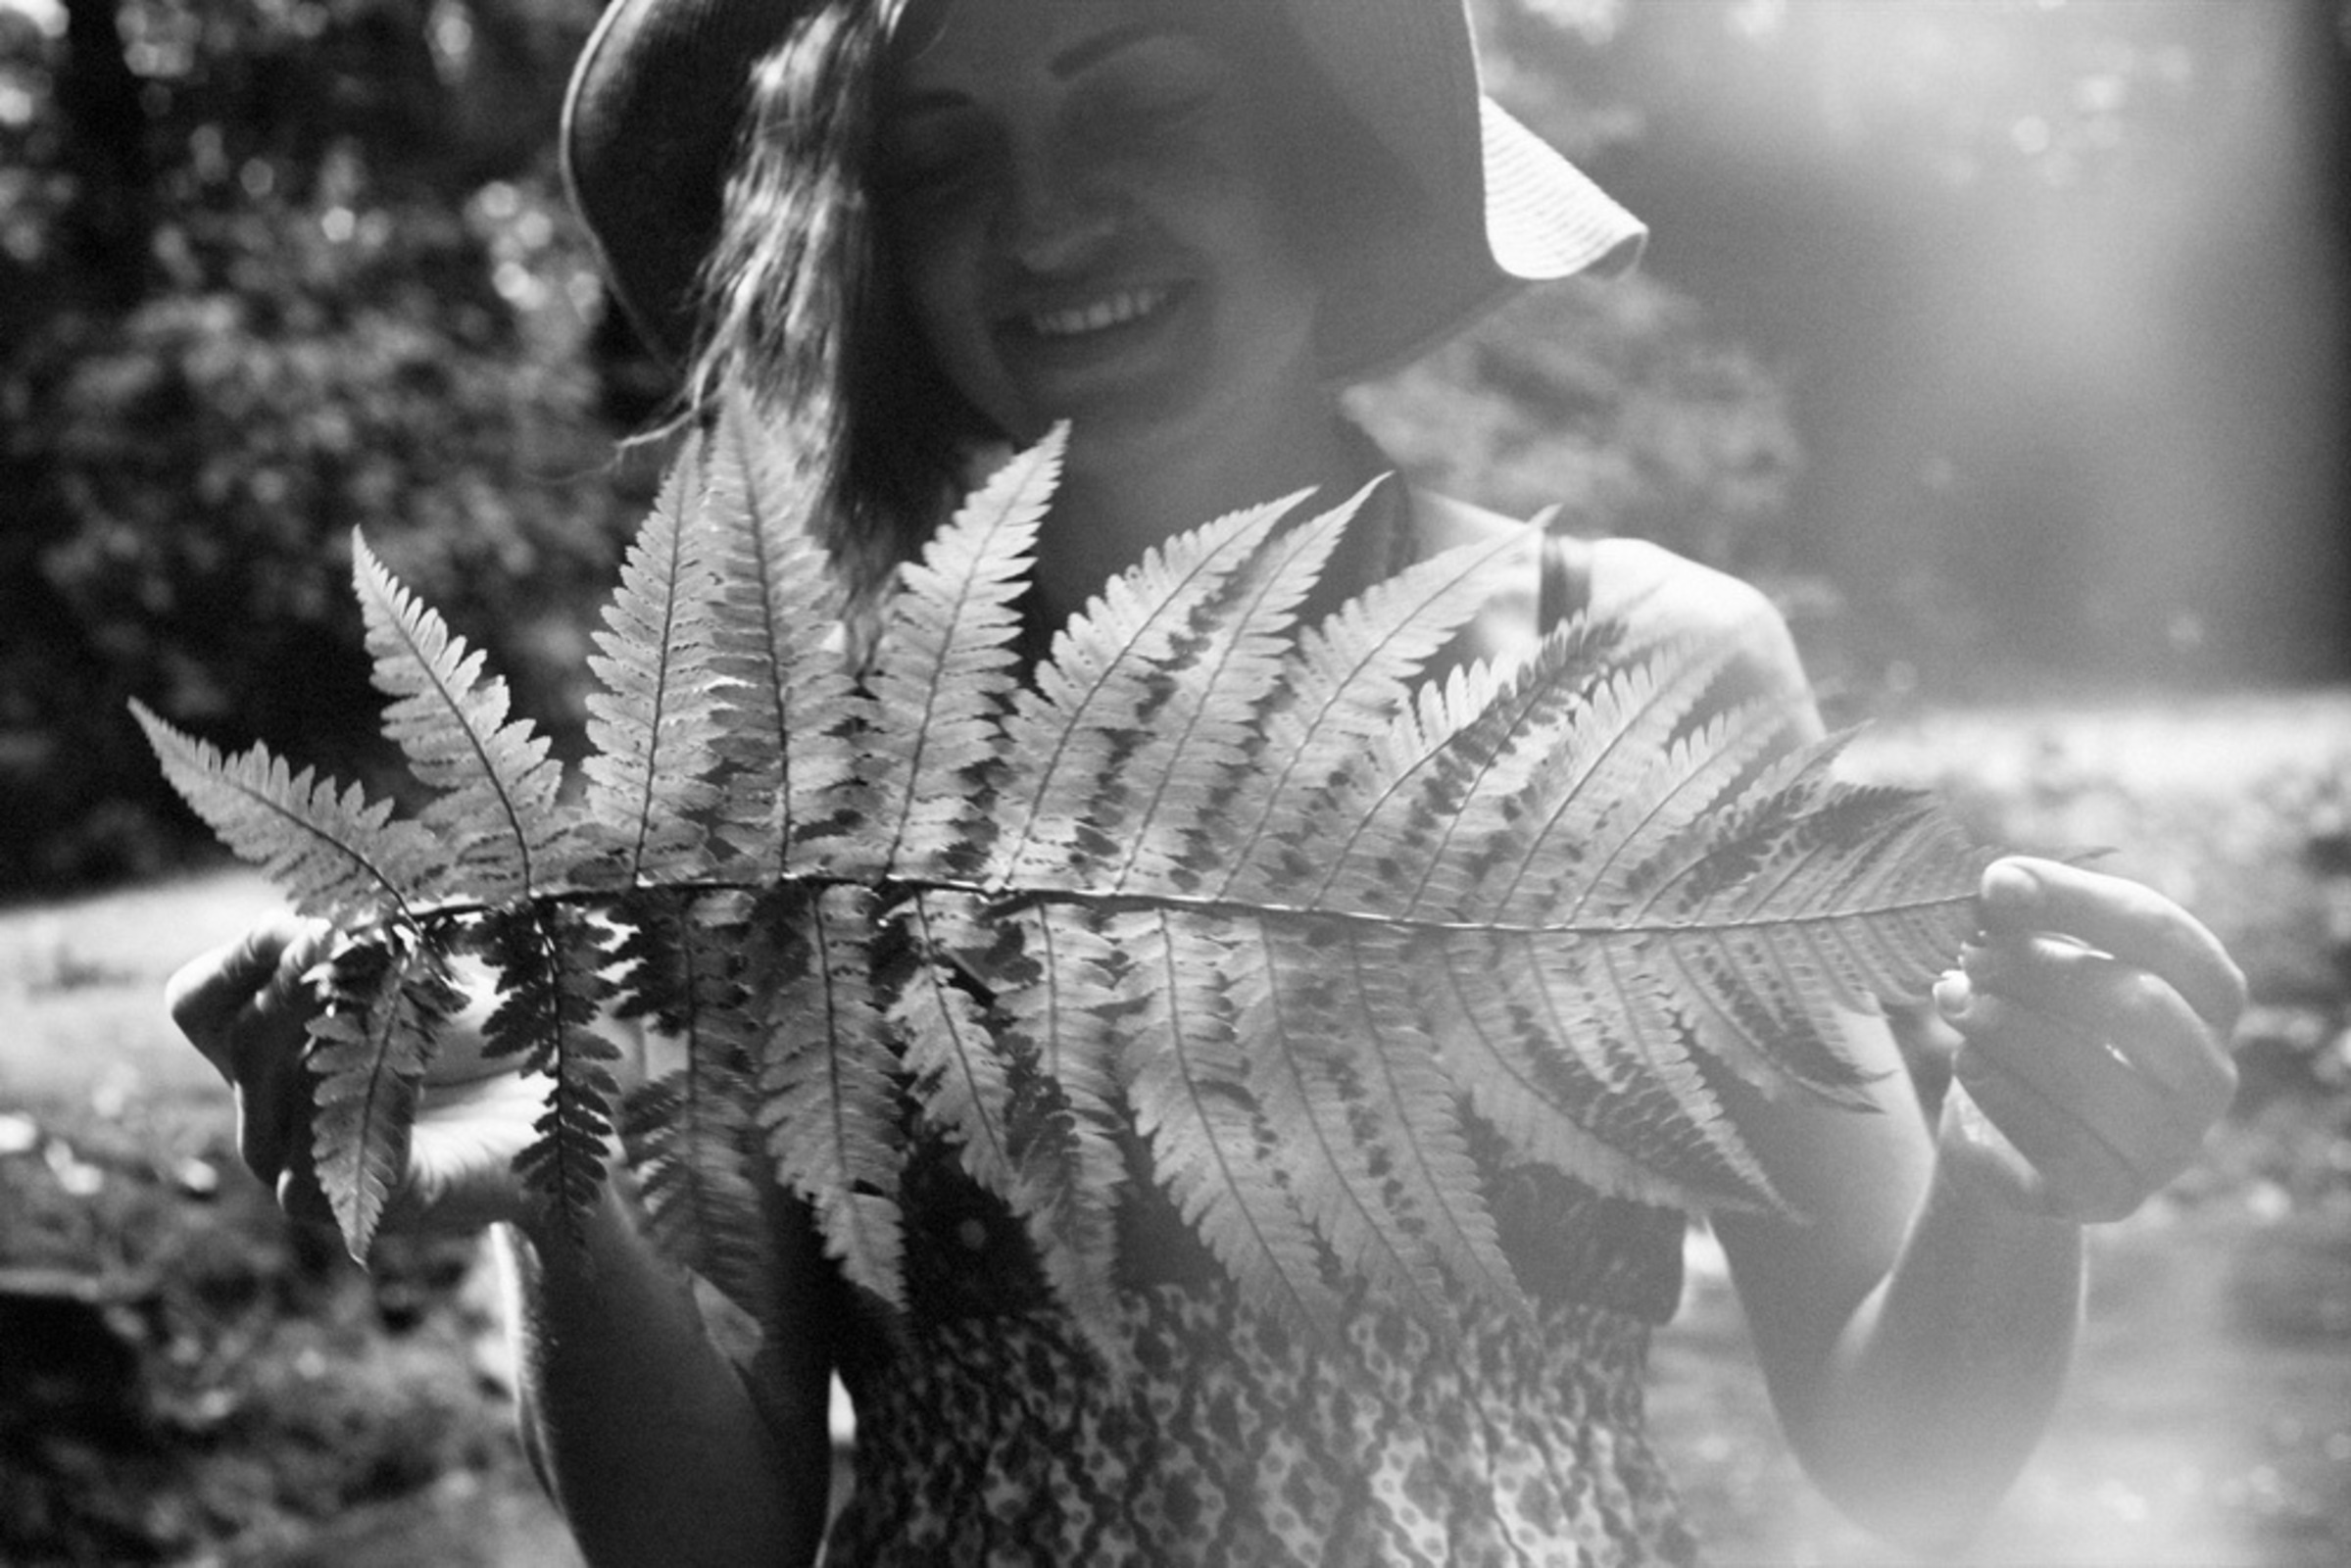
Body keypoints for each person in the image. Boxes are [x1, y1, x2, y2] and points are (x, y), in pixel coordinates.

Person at [168, 1, 2247, 1563]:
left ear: (1314, 146)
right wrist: (548, 1196)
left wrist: (2017, 1180)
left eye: (1143, 107)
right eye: (941, 164)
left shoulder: (1640, 666)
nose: (1047, 221)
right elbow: (708, 1537)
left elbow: (1906, 1453)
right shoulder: (786, 764)